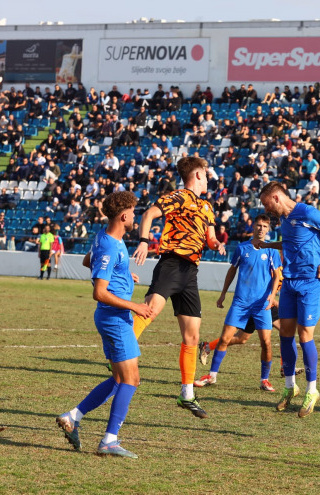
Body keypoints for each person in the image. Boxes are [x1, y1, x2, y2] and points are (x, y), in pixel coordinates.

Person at [56, 191, 155, 458]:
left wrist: (123, 273)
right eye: (133, 213)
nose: (135, 217)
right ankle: (109, 440)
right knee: (131, 379)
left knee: (119, 378)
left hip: (111, 317)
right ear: (124, 216)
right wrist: (135, 306)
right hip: (115, 319)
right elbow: (99, 292)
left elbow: (89, 260)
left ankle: (73, 416)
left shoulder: (104, 236)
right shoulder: (112, 244)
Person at [133, 157, 226, 419]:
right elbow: (149, 213)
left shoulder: (207, 207)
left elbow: (209, 237)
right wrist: (143, 241)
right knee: (148, 310)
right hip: (172, 263)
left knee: (193, 337)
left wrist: (216, 243)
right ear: (197, 175)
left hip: (191, 272)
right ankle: (120, 351)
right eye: (206, 175)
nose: (209, 179)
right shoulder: (180, 196)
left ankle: (186, 394)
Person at [258, 181, 320, 417]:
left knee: (305, 335)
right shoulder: (285, 222)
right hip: (289, 281)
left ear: (276, 198)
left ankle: (312, 390)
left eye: (266, 204)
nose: (266, 209)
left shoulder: (306, 212)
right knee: (285, 333)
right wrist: (267, 244)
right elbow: (289, 244)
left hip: (310, 282)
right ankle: (290, 387)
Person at [194, 214, 282, 391]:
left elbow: (277, 276)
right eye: (259, 225)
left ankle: (264, 380)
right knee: (225, 339)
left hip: (261, 305)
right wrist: (223, 294)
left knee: (266, 342)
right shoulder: (242, 248)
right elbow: (232, 271)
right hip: (240, 303)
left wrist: (272, 296)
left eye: (265, 226)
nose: (261, 229)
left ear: (268, 229)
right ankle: (211, 376)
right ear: (253, 226)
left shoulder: (272, 251)